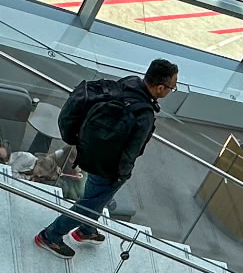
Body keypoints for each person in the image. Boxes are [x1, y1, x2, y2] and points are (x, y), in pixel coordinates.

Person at [34, 59, 177, 258]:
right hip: (109, 166)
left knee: (95, 196)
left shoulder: (131, 82)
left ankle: (86, 230)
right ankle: (51, 235)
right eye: (173, 87)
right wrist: (122, 175)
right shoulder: (144, 115)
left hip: (90, 150)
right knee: (88, 204)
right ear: (161, 88)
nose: (172, 90)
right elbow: (131, 152)